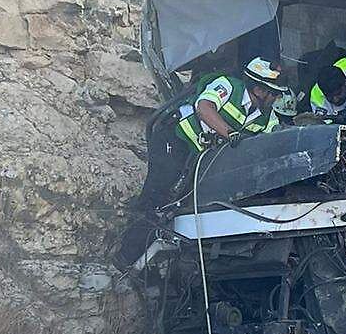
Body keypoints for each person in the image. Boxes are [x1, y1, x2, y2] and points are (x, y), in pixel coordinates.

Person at [115, 56, 287, 269]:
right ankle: (124, 255)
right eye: (274, 93)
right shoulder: (228, 86)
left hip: (198, 155)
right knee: (159, 194)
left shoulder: (267, 117)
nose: (277, 98)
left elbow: (271, 141)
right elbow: (204, 107)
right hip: (176, 137)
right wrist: (229, 133)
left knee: (179, 203)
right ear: (259, 90)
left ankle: (152, 256)